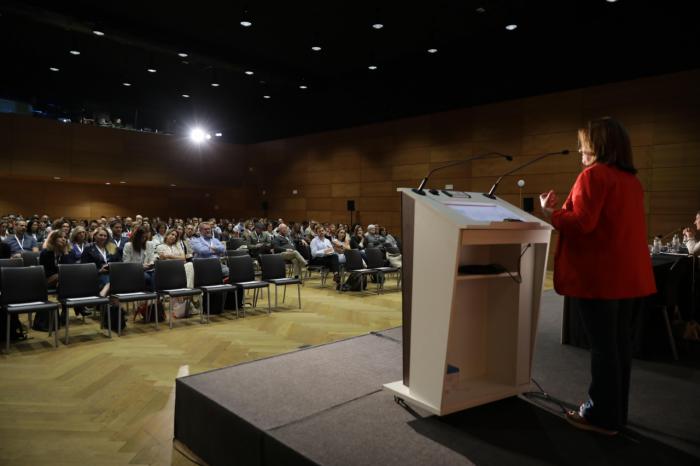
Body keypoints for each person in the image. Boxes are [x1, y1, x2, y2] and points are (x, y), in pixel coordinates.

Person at [539, 117, 655, 436]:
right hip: (628, 279)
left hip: (601, 279)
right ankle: (616, 414)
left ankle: (601, 417)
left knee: (604, 349)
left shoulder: (593, 176)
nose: (579, 150)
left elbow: (582, 224)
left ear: (599, 145)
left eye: (584, 144)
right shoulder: (631, 181)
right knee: (618, 348)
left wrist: (552, 214)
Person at [80, 227, 116, 297]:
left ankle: (109, 304)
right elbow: (84, 267)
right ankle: (105, 301)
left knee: (115, 280)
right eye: (100, 235)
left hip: (112, 273)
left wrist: (112, 267)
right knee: (110, 281)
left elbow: (119, 261)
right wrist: (99, 270)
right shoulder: (88, 248)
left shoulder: (111, 247)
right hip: (96, 275)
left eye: (105, 236)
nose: (103, 237)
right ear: (95, 236)